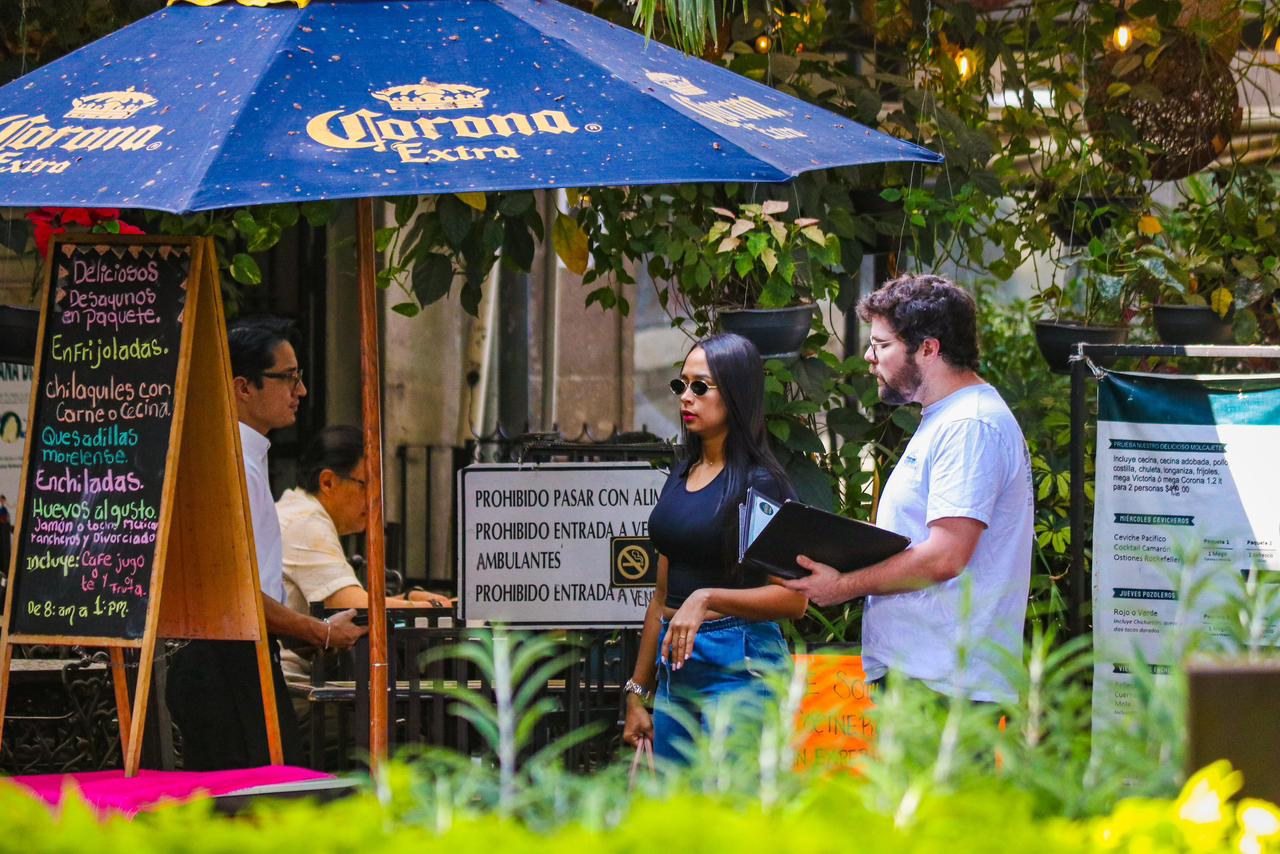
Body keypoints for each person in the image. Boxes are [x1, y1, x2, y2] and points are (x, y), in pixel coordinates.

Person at [782, 274, 1033, 703]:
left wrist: (843, 585)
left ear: (928, 349)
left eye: (881, 345)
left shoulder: (969, 425)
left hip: (944, 685)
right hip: (925, 675)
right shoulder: (949, 417)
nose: (868, 357)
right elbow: (919, 538)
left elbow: (945, 556)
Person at [166, 316, 365, 770]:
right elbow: (236, 594)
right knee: (256, 796)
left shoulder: (242, 456)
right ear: (243, 387)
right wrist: (318, 631)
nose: (301, 391)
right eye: (288, 377)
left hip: (236, 657)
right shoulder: (233, 462)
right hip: (226, 662)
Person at [622, 333, 808, 764]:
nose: (686, 397)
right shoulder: (682, 473)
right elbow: (661, 597)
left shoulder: (762, 484)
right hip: (676, 665)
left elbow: (794, 599)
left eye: (700, 387)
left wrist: (707, 598)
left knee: (732, 800)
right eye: (681, 385)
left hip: (740, 660)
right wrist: (637, 691)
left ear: (736, 394)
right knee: (679, 803)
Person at [277, 425, 451, 711]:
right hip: (299, 693)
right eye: (365, 485)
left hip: (308, 684)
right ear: (328, 482)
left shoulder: (299, 510)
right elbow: (355, 607)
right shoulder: (305, 523)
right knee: (409, 721)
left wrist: (408, 599)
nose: (374, 499)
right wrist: (430, 608)